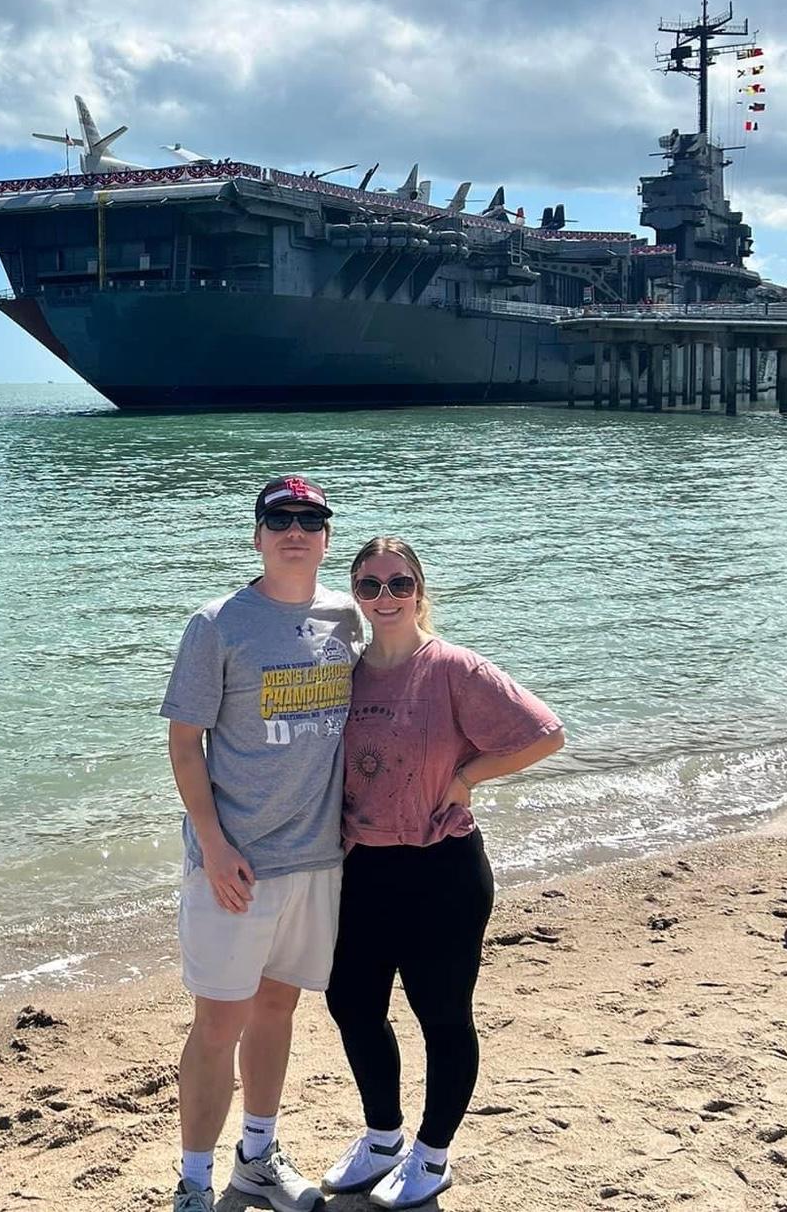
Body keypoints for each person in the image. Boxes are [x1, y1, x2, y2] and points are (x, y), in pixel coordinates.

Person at [322, 537, 565, 1209]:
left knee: (441, 1015)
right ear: (357, 598)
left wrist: (466, 777)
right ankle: (382, 1137)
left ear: (420, 591)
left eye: (398, 584)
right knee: (352, 1004)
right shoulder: (346, 671)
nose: (385, 597)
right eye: (368, 587)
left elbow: (545, 733)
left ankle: (432, 1153)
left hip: (443, 870)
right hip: (362, 866)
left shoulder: (452, 666)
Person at [161, 476, 364, 1212]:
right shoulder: (217, 623)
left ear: (326, 538)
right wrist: (212, 845)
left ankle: (257, 1156)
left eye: (311, 519)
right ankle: (192, 1181)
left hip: (318, 860)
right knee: (218, 1021)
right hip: (235, 866)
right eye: (279, 518)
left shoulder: (347, 616)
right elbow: (185, 745)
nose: (295, 529)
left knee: (278, 1009)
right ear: (256, 536)